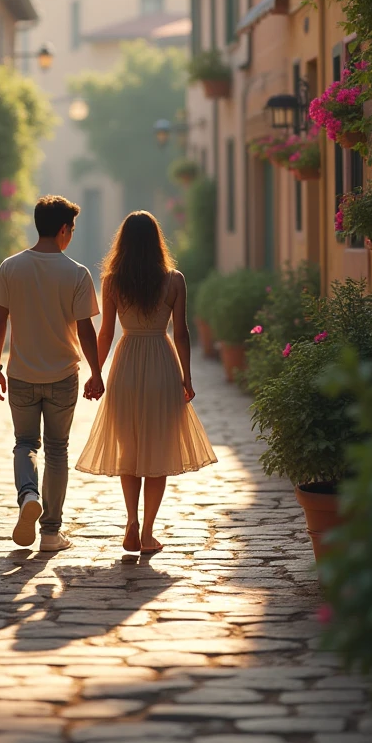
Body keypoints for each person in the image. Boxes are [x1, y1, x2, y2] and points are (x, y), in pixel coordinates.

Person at [76, 210, 217, 554]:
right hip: (161, 365)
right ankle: (149, 532)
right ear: (157, 242)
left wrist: (96, 371)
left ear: (122, 242)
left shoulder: (112, 281)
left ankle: (131, 523)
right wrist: (187, 376)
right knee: (158, 449)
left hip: (125, 365)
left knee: (129, 449)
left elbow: (106, 332)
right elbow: (181, 333)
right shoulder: (174, 280)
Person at [0, 195, 104, 552]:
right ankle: (51, 533)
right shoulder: (77, 273)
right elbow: (86, 330)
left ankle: (28, 497)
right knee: (56, 450)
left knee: (25, 444)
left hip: (21, 373)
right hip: (62, 376)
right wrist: (96, 372)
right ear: (63, 230)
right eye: (71, 228)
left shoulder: (11, 267)